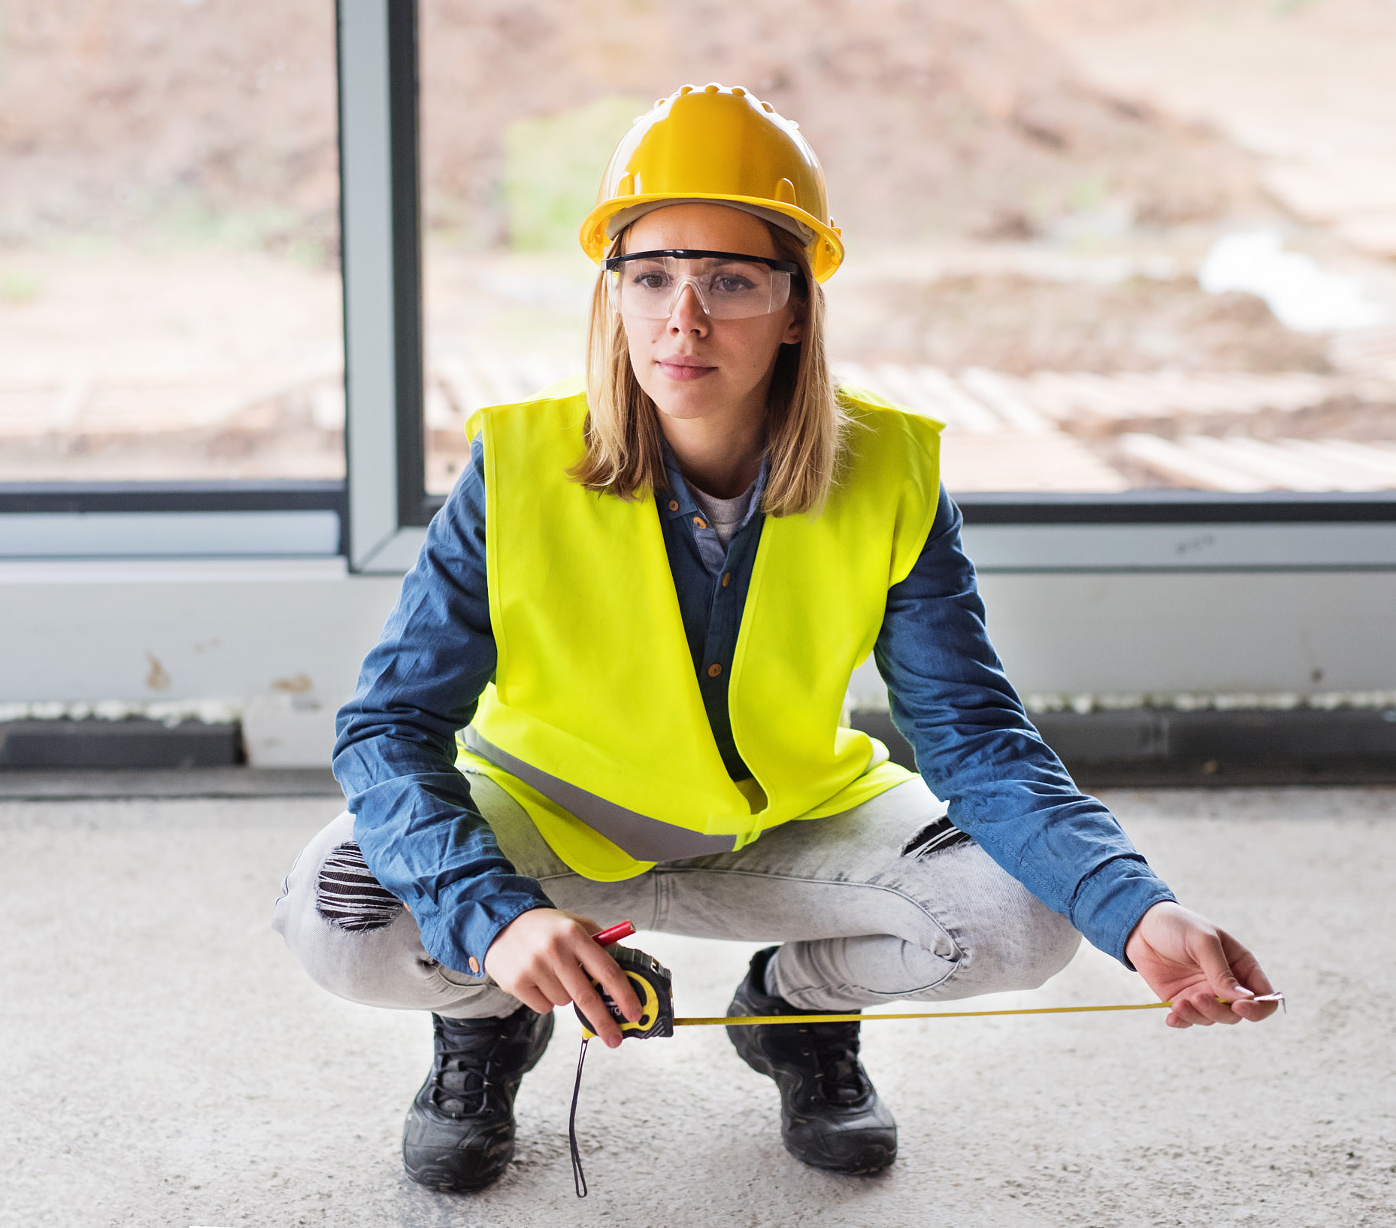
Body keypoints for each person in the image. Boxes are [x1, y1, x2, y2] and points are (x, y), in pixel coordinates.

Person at [273, 84, 1277, 1192]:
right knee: (344, 913)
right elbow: (389, 726)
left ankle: (794, 1013)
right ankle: (493, 1014)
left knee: (1030, 919)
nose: (681, 319)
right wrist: (494, 917)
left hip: (785, 822)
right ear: (612, 293)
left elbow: (978, 745)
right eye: (649, 276)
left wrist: (1137, 912)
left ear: (795, 305)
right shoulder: (514, 467)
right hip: (547, 819)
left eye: (730, 282)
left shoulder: (889, 474)